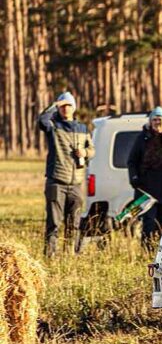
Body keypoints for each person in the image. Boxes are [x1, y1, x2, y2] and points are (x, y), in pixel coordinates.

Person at [38, 91, 95, 257]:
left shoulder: (82, 128)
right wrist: (55, 104)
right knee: (54, 223)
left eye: (69, 105)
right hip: (57, 181)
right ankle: (50, 256)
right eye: (62, 106)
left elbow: (92, 150)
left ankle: (69, 255)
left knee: (74, 223)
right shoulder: (53, 126)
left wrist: (84, 152)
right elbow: (42, 120)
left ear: (74, 108)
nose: (65, 109)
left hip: (76, 183)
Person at [127, 107, 162, 249]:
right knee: (149, 222)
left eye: (160, 119)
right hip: (146, 189)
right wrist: (134, 178)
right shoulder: (142, 138)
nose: (157, 122)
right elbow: (132, 160)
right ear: (150, 121)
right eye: (154, 119)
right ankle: (146, 251)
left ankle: (160, 252)